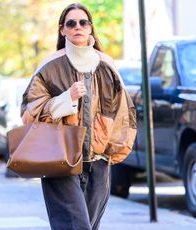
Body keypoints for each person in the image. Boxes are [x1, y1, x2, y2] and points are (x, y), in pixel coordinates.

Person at [21, 3, 136, 230]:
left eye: (83, 22)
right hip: (60, 161)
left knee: (89, 226)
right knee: (76, 226)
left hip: (98, 163)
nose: (78, 27)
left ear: (90, 28)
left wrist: (110, 153)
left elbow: (124, 113)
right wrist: (66, 99)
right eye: (71, 23)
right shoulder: (50, 67)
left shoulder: (106, 65)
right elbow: (29, 111)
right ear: (62, 29)